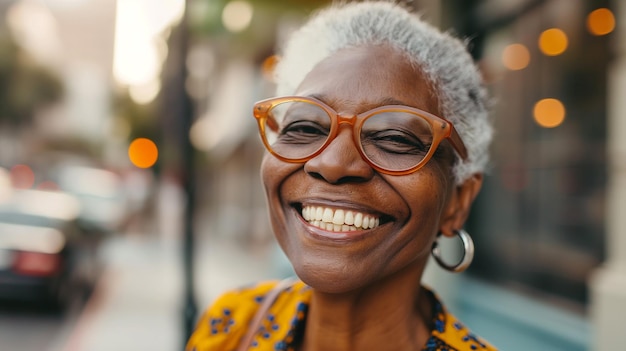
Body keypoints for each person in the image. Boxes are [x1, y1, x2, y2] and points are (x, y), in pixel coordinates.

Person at [187, 1, 496, 350]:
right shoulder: (232, 325)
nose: (331, 164)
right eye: (304, 127)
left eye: (394, 137)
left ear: (458, 201)